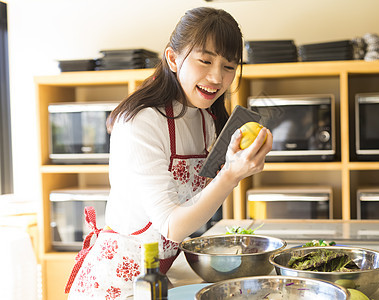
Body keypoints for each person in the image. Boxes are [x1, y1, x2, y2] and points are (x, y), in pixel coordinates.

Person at [65, 6, 272, 299]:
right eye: (205, 60)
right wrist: (230, 175)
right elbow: (172, 227)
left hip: (159, 274)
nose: (217, 77)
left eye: (228, 66)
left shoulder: (205, 118)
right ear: (173, 58)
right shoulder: (140, 121)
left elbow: (195, 207)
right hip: (115, 282)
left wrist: (236, 167)